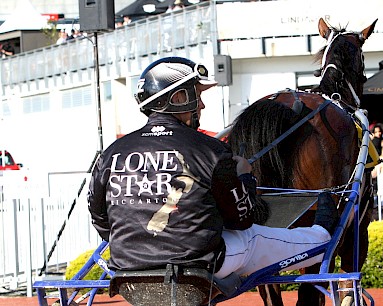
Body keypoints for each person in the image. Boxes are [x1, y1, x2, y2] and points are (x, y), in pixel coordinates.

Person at [87, 57, 338, 281]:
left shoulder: (111, 152)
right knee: (263, 239)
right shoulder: (211, 151)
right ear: (178, 99)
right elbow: (242, 220)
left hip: (126, 267)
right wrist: (245, 177)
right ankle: (323, 234)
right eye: (198, 95)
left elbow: (100, 219)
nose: (202, 106)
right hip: (200, 265)